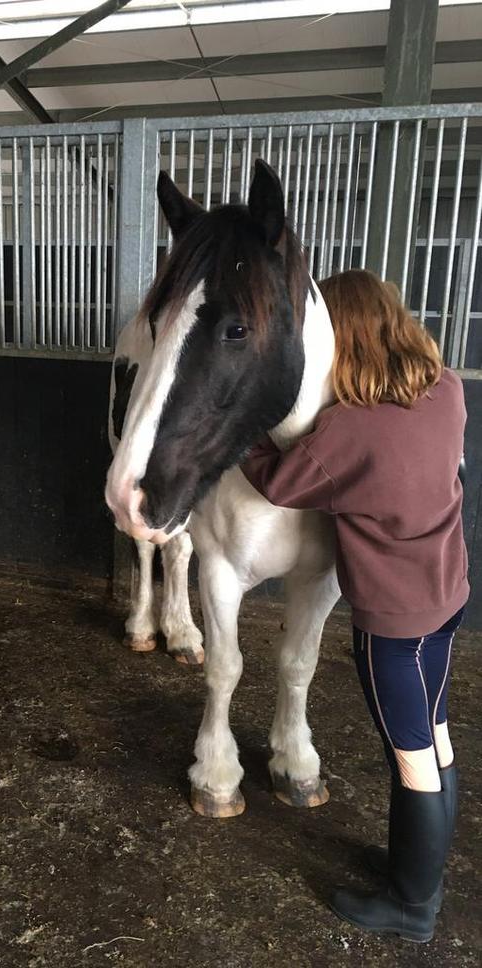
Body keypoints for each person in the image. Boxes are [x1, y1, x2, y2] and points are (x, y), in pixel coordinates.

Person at [242, 269, 468, 944]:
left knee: (411, 760)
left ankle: (411, 906)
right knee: (437, 740)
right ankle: (418, 871)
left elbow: (280, 483)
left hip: (392, 629)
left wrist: (251, 430)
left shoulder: (349, 431)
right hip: (446, 601)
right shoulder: (448, 390)